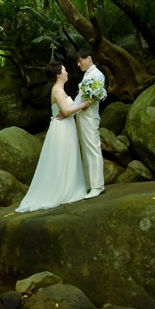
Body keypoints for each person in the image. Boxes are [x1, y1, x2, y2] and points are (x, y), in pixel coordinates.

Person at [16, 60, 90, 212]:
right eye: (64, 70)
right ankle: (60, 191)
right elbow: (66, 112)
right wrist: (84, 105)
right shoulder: (57, 90)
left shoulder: (60, 90)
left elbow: (66, 110)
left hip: (66, 127)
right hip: (61, 129)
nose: (67, 73)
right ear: (58, 74)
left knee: (68, 158)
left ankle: (69, 187)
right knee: (61, 159)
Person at [73, 48, 107, 197]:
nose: (78, 64)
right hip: (81, 114)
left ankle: (98, 185)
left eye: (80, 60)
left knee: (93, 148)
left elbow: (93, 97)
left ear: (89, 59)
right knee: (85, 149)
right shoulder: (87, 75)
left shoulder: (97, 74)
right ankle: (88, 183)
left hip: (89, 115)